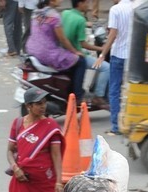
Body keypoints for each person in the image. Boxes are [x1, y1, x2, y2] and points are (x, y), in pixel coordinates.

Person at [26, 0, 88, 103]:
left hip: (32, 49)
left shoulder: (36, 12)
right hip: (47, 53)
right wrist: (75, 52)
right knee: (80, 61)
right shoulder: (54, 16)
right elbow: (62, 39)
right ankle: (78, 96)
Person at [94, 0, 133, 135]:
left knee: (114, 90)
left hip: (118, 55)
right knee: (130, 90)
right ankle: (131, 123)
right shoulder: (137, 8)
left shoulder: (116, 10)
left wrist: (103, 54)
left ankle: (116, 127)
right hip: (133, 56)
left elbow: (112, 34)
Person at [63, 0, 110, 108]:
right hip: (76, 53)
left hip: (64, 52)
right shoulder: (80, 20)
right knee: (107, 67)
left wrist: (88, 23)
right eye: (86, 3)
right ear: (79, 4)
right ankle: (98, 96)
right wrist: (101, 48)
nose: (88, 6)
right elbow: (83, 44)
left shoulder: (65, 13)